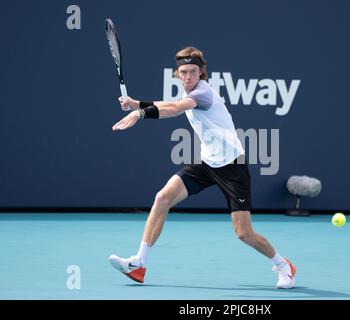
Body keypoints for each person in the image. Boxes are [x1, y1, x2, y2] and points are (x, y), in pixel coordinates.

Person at [108, 46, 296, 289]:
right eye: (184, 72)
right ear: (177, 73)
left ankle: (284, 265)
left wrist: (139, 113)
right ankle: (139, 263)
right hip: (207, 163)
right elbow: (172, 103)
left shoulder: (204, 92)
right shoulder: (191, 92)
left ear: (201, 72)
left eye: (193, 71)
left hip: (232, 167)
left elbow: (175, 109)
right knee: (163, 197)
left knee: (243, 234)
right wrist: (137, 104)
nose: (188, 76)